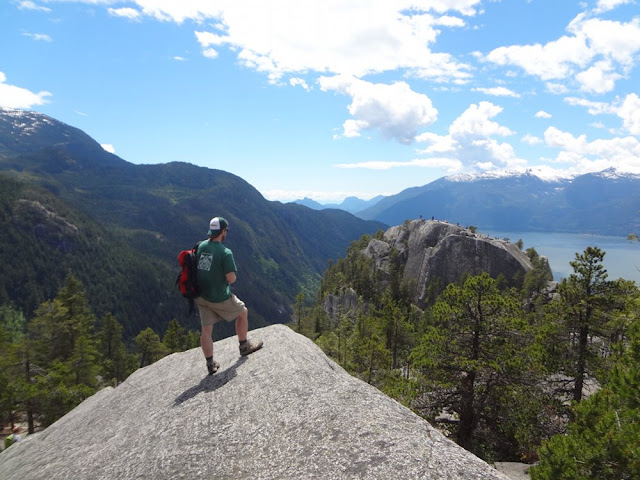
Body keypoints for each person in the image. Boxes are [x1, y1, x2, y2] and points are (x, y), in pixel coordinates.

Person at [195, 217, 263, 375]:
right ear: (223, 231)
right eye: (226, 231)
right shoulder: (225, 252)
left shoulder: (201, 246)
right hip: (218, 296)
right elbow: (231, 278)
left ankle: (210, 364)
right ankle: (244, 346)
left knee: (206, 329)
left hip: (201, 295)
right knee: (243, 312)